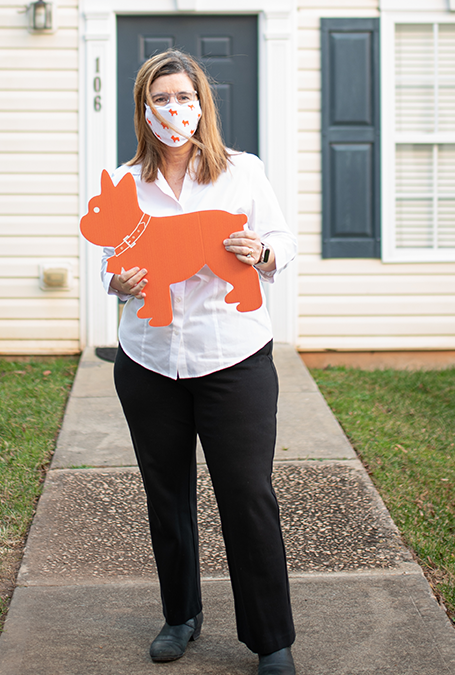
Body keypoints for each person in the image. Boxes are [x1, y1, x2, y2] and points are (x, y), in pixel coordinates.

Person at [100, 49, 297, 675]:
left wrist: (262, 250)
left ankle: (271, 641)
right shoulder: (125, 183)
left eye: (184, 97)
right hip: (150, 362)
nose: (174, 108)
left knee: (247, 495)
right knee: (167, 496)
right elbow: (108, 269)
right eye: (161, 98)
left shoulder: (241, 172)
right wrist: (120, 285)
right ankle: (180, 614)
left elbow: (283, 242)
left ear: (201, 105)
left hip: (232, 357)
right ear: (144, 110)